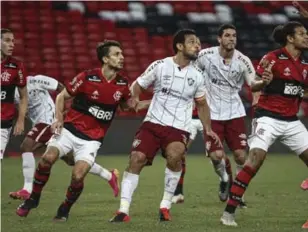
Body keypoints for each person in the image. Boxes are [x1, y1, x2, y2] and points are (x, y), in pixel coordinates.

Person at [110, 29, 221, 223]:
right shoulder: (160, 66)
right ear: (179, 46)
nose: (198, 46)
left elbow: (202, 104)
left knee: (175, 156)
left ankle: (165, 205)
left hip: (179, 127)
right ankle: (123, 210)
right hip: (153, 123)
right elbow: (138, 85)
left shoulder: (197, 76)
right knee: (137, 158)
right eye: (192, 42)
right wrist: (134, 100)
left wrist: (209, 130)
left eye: (198, 42)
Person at [16, 40, 134, 221]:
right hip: (69, 130)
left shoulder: (123, 84)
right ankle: (33, 198)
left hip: (92, 139)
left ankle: (64, 209)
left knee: (78, 176)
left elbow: (129, 106)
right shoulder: (87, 77)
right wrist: (58, 119)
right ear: (105, 58)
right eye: (117, 54)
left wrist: (155, 102)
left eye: (122, 54)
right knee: (47, 159)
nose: (122, 57)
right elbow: (62, 97)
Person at [220, 21, 308, 227]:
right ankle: (229, 213)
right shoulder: (273, 58)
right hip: (268, 117)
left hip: (292, 121)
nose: (306, 37)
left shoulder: (305, 65)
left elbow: (302, 91)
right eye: (302, 33)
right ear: (290, 38)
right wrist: (264, 83)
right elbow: (255, 84)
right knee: (255, 160)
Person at [173, 24, 258, 206]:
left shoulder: (243, 61)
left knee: (241, 156)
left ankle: (238, 192)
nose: (231, 39)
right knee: (216, 156)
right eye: (227, 35)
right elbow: (190, 68)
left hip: (235, 113)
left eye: (234, 36)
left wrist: (258, 96)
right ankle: (224, 179)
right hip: (212, 114)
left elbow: (254, 83)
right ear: (219, 39)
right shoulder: (206, 56)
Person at [9, 75, 120, 200]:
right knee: (71, 160)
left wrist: (66, 110)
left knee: (27, 146)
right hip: (40, 123)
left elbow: (61, 88)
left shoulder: (36, 80)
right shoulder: (9, 93)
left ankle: (27, 190)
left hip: (50, 120)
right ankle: (109, 176)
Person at [172, 38, 202, 204]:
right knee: (180, 154)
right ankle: (178, 191)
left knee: (217, 156)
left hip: (207, 118)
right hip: (188, 119)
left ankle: (225, 180)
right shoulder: (180, 69)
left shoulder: (207, 70)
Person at [1, 28, 28, 160]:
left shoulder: (17, 66)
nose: (11, 44)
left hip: (3, 123)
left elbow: (23, 97)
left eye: (13, 41)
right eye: (7, 40)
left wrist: (21, 121)